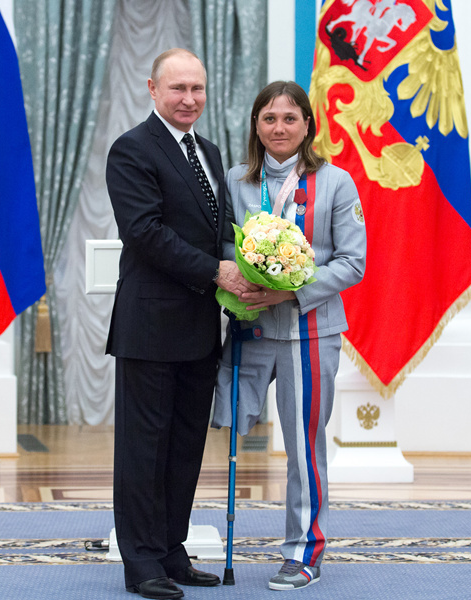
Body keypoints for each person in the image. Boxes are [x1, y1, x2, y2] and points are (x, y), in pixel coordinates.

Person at [105, 48, 258, 600]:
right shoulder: (132, 149)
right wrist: (218, 271)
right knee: (144, 451)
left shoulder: (209, 152)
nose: (189, 99)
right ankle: (141, 561)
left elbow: (216, 231)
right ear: (153, 89)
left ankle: (172, 550)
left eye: (197, 88)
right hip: (149, 328)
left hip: (199, 327)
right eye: (177, 89)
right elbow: (145, 233)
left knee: (185, 447)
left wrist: (252, 271)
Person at [212, 81, 366, 591]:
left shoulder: (337, 183)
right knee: (225, 423)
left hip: (310, 333)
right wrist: (243, 277)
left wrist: (289, 290)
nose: (279, 128)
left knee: (302, 446)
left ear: (307, 125)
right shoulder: (235, 180)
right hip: (250, 330)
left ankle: (303, 554)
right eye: (269, 118)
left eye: (289, 118)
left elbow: (353, 262)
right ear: (256, 126)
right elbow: (221, 245)